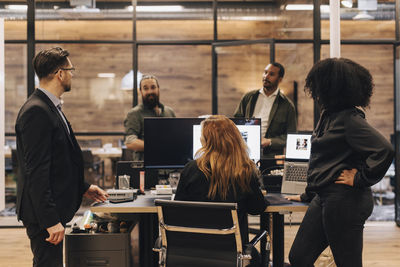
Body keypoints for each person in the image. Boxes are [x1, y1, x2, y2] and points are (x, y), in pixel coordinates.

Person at [287, 58, 394, 267]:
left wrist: (360, 178)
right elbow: (324, 160)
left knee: (348, 263)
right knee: (298, 257)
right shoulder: (329, 115)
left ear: (331, 88)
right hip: (325, 196)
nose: (315, 90)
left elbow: (385, 150)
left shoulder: (350, 120)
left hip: (345, 201)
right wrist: (307, 194)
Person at [15, 47, 109, 267]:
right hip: (43, 215)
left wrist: (83, 187)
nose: (72, 74)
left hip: (50, 210)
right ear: (59, 73)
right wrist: (50, 220)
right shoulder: (36, 111)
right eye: (70, 69)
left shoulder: (50, 106)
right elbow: (36, 171)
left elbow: (60, 161)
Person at [175, 115, 268, 266]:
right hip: (233, 253)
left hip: (194, 251)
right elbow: (257, 208)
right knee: (256, 256)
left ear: (207, 141)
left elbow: (178, 210)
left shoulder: (191, 169)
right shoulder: (244, 171)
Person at [234, 62, 297, 158]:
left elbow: (291, 136)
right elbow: (236, 122)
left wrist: (270, 141)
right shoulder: (249, 97)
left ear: (280, 79)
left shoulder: (287, 105)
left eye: (271, 74)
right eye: (265, 72)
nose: (266, 76)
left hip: (271, 156)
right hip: (245, 152)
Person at [124, 74, 175, 160]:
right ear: (140, 91)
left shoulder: (169, 112)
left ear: (158, 89)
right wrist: (158, 146)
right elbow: (130, 142)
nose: (150, 91)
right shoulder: (134, 114)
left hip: (168, 166)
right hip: (145, 168)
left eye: (153, 87)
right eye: (145, 88)